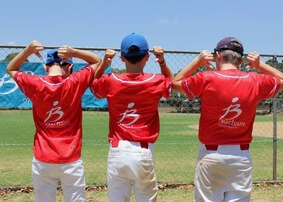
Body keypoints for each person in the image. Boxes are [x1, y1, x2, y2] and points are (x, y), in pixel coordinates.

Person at [172, 37, 283, 202]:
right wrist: (259, 65)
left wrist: (197, 62)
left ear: (218, 56)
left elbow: (174, 83)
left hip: (211, 155)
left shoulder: (206, 78)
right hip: (241, 157)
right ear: (241, 60)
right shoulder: (255, 80)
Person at [6, 40, 101, 202]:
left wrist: (28, 51)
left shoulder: (35, 83)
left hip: (43, 158)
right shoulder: (74, 82)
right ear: (70, 67)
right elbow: (97, 61)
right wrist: (74, 52)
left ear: (45, 67)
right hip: (70, 158)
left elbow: (11, 68)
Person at [90, 33, 173, 202]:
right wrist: (162, 61)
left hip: (117, 151)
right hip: (143, 151)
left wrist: (104, 62)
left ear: (122, 58)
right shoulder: (155, 81)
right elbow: (171, 83)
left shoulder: (111, 80)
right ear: (147, 57)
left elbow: (94, 86)